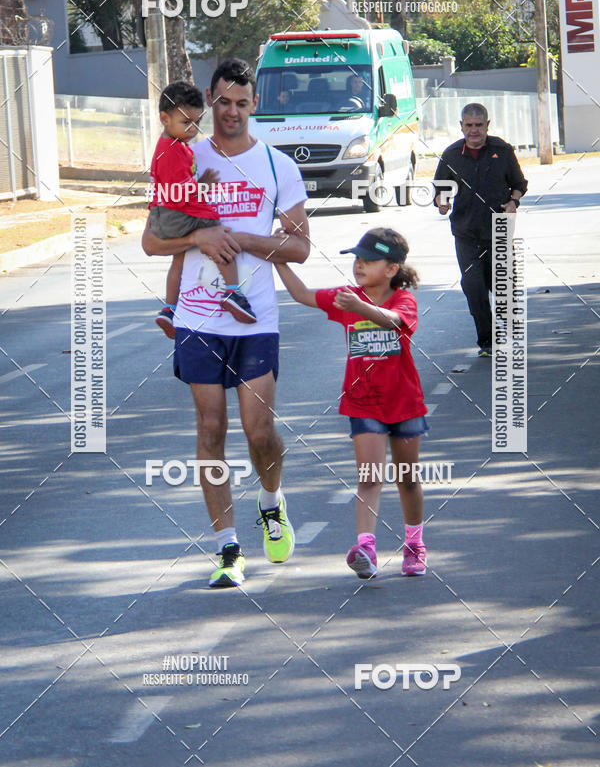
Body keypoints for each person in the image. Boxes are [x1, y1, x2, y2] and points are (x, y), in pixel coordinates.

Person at [142, 58, 310, 589]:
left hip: (254, 317)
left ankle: (270, 501)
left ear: (253, 104)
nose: (232, 111)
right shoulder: (183, 155)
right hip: (197, 317)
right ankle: (227, 548)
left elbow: (300, 247)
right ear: (209, 102)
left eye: (242, 102)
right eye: (223, 102)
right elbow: (151, 241)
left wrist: (240, 239)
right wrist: (197, 238)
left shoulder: (279, 166)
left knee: (259, 432)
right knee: (210, 430)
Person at [275, 227, 428, 579]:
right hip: (363, 402)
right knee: (369, 477)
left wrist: (362, 307)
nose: (359, 265)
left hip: (404, 402)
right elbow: (301, 294)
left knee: (407, 478)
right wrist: (278, 260)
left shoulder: (402, 299)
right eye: (357, 259)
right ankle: (366, 548)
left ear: (391, 269)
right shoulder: (346, 296)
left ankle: (415, 544)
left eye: (369, 260)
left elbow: (396, 322)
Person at [148, 81, 257, 336]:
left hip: (161, 216)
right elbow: (178, 194)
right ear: (165, 119)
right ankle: (233, 291)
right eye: (186, 123)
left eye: (197, 122)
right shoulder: (174, 151)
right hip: (174, 213)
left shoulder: (172, 145)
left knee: (179, 259)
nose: (193, 130)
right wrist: (203, 186)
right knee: (220, 237)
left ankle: (169, 308)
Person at [433, 103, 527, 356]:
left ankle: (510, 329)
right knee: (474, 288)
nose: (473, 131)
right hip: (466, 232)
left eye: (478, 125)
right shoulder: (452, 154)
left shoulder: (502, 151)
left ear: (487, 125)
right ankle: (487, 342)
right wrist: (442, 202)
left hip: (498, 231)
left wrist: (513, 202)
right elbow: (440, 189)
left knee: (502, 287)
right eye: (468, 125)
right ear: (461, 126)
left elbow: (519, 184)